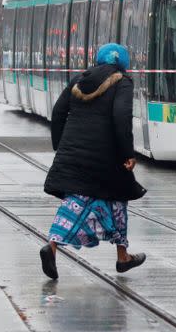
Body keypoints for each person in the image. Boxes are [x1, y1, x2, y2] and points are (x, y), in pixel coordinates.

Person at [40, 43, 146, 279]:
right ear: (124, 64)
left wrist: (60, 146)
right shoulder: (122, 81)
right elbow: (121, 117)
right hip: (105, 156)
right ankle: (121, 256)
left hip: (74, 152)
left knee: (76, 202)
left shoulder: (79, 79)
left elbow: (58, 112)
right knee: (117, 200)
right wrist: (127, 153)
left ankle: (54, 246)